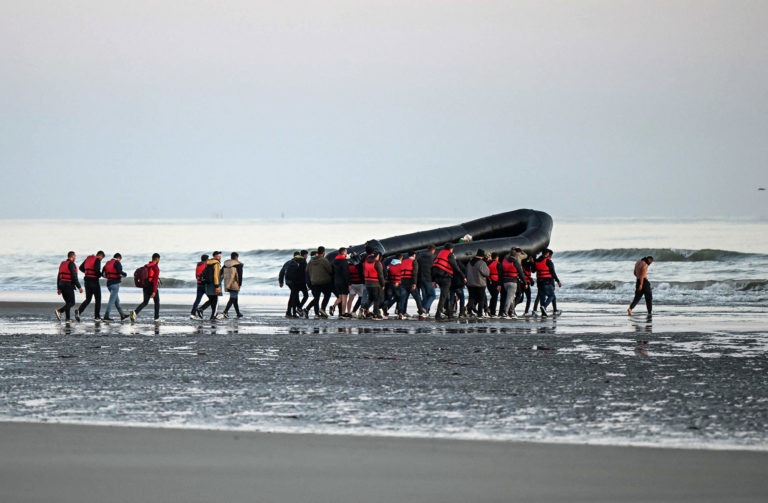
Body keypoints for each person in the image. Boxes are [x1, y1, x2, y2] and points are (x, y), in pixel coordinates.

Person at [431, 243, 466, 320]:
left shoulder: (440, 254)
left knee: (445, 296)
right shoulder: (450, 255)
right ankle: (440, 314)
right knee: (444, 296)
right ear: (451, 249)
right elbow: (455, 267)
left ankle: (448, 312)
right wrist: (463, 276)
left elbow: (434, 266)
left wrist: (433, 280)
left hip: (437, 277)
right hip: (445, 278)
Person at [131, 253, 161, 322]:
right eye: (159, 259)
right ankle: (156, 318)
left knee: (145, 302)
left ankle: (134, 313)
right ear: (157, 259)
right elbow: (155, 280)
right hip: (151, 286)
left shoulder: (146, 266)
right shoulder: (155, 267)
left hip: (145, 286)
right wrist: (154, 291)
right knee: (157, 302)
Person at [77, 251, 105, 321]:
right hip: (94, 281)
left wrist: (87, 272)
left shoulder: (88, 258)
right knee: (98, 299)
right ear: (100, 256)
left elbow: (80, 268)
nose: (101, 259)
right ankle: (97, 317)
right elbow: (96, 270)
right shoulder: (97, 259)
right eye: (102, 258)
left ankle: (79, 311)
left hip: (87, 281)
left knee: (88, 299)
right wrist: (101, 275)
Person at [55, 251, 83, 322]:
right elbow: (74, 277)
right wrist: (79, 287)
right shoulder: (71, 264)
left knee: (68, 303)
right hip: (68, 285)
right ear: (72, 256)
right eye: (75, 256)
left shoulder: (62, 264)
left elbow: (59, 276)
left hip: (62, 284)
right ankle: (59, 311)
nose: (75, 257)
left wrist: (58, 288)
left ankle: (67, 319)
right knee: (72, 302)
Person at [306, 246, 333, 318]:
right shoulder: (324, 260)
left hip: (314, 282)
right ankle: (322, 309)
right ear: (324, 252)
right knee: (327, 295)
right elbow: (330, 270)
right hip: (324, 282)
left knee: (316, 298)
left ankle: (316, 314)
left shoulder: (311, 261)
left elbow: (307, 270)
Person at [534, 249, 562, 317]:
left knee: (542, 297)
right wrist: (558, 281)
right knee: (552, 296)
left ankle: (543, 313)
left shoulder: (536, 261)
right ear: (546, 254)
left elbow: (533, 270)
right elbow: (553, 273)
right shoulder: (548, 261)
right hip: (547, 281)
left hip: (539, 282)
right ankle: (544, 307)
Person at [102, 253, 129, 321]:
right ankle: (106, 316)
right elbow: (119, 272)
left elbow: (103, 274)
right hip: (115, 284)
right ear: (119, 258)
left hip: (109, 284)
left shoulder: (107, 263)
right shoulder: (117, 263)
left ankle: (122, 315)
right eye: (120, 260)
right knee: (111, 301)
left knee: (117, 301)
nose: (120, 261)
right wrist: (125, 274)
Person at [398, 251, 425, 319]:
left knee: (403, 298)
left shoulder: (403, 261)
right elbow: (414, 273)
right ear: (414, 255)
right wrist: (414, 283)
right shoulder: (414, 262)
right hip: (410, 282)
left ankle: (401, 313)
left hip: (403, 282)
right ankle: (421, 313)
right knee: (417, 298)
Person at [499, 249, 525, 318]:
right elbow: (521, 273)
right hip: (513, 282)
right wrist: (525, 283)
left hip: (505, 282)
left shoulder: (504, 262)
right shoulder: (515, 262)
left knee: (512, 297)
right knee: (509, 298)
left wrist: (499, 284)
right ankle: (505, 312)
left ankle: (512, 312)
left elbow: (500, 273)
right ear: (515, 255)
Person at [197, 251, 223, 320]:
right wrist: (217, 286)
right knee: (215, 300)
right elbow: (216, 276)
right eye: (218, 256)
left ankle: (202, 309)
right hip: (214, 284)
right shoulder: (216, 263)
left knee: (212, 299)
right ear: (214, 256)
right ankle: (213, 315)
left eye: (220, 256)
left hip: (207, 284)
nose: (219, 258)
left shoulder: (208, 263)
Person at [465, 249, 490, 317]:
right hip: (480, 284)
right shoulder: (482, 263)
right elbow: (487, 273)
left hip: (470, 284)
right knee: (481, 299)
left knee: (471, 298)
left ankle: (469, 312)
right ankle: (479, 314)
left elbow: (466, 272)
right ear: (482, 256)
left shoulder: (469, 262)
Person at [361, 251, 385, 319]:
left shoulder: (365, 263)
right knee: (377, 299)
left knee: (370, 298)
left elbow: (363, 273)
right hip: (376, 284)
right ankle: (376, 314)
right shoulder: (377, 263)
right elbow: (380, 275)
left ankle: (363, 308)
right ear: (377, 256)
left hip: (368, 283)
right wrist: (383, 284)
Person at [284, 252, 307, 318]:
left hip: (293, 282)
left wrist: (281, 281)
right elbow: (304, 272)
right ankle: (297, 310)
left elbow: (283, 271)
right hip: (298, 282)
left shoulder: (292, 262)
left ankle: (291, 312)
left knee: (294, 297)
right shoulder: (302, 262)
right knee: (295, 297)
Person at [221, 252, 244, 318]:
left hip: (228, 283)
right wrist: (240, 284)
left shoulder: (226, 264)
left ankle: (238, 313)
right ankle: (225, 311)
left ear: (231, 257)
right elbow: (240, 275)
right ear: (237, 257)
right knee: (233, 298)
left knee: (235, 298)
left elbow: (221, 273)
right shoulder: (238, 264)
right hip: (235, 283)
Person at [330, 247, 351, 318]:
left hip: (336, 281)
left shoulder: (334, 261)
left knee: (340, 297)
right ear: (344, 252)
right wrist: (349, 283)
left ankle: (333, 306)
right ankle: (343, 313)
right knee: (344, 298)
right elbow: (346, 273)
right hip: (343, 282)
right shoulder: (344, 261)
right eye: (346, 252)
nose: (347, 253)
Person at [417, 245, 437, 315]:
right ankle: (425, 308)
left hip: (420, 278)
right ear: (433, 250)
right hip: (428, 278)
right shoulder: (433, 257)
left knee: (425, 296)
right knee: (433, 295)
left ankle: (422, 312)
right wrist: (434, 280)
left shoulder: (420, 257)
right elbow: (434, 270)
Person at [191, 254, 209, 319]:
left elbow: (196, 275)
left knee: (197, 299)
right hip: (205, 284)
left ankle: (193, 313)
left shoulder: (198, 265)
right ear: (207, 259)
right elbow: (206, 273)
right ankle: (202, 309)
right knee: (212, 299)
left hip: (199, 284)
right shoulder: (206, 264)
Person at [346, 252, 365, 317]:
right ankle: (354, 311)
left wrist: (349, 284)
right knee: (361, 298)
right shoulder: (359, 265)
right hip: (360, 284)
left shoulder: (348, 266)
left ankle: (349, 312)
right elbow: (362, 274)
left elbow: (347, 276)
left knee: (350, 299)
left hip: (351, 284)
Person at [485, 253, 502, 317]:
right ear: (497, 258)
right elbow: (500, 274)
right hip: (495, 281)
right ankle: (493, 312)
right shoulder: (498, 264)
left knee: (493, 296)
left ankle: (489, 309)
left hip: (488, 281)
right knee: (495, 296)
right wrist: (499, 284)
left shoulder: (487, 263)